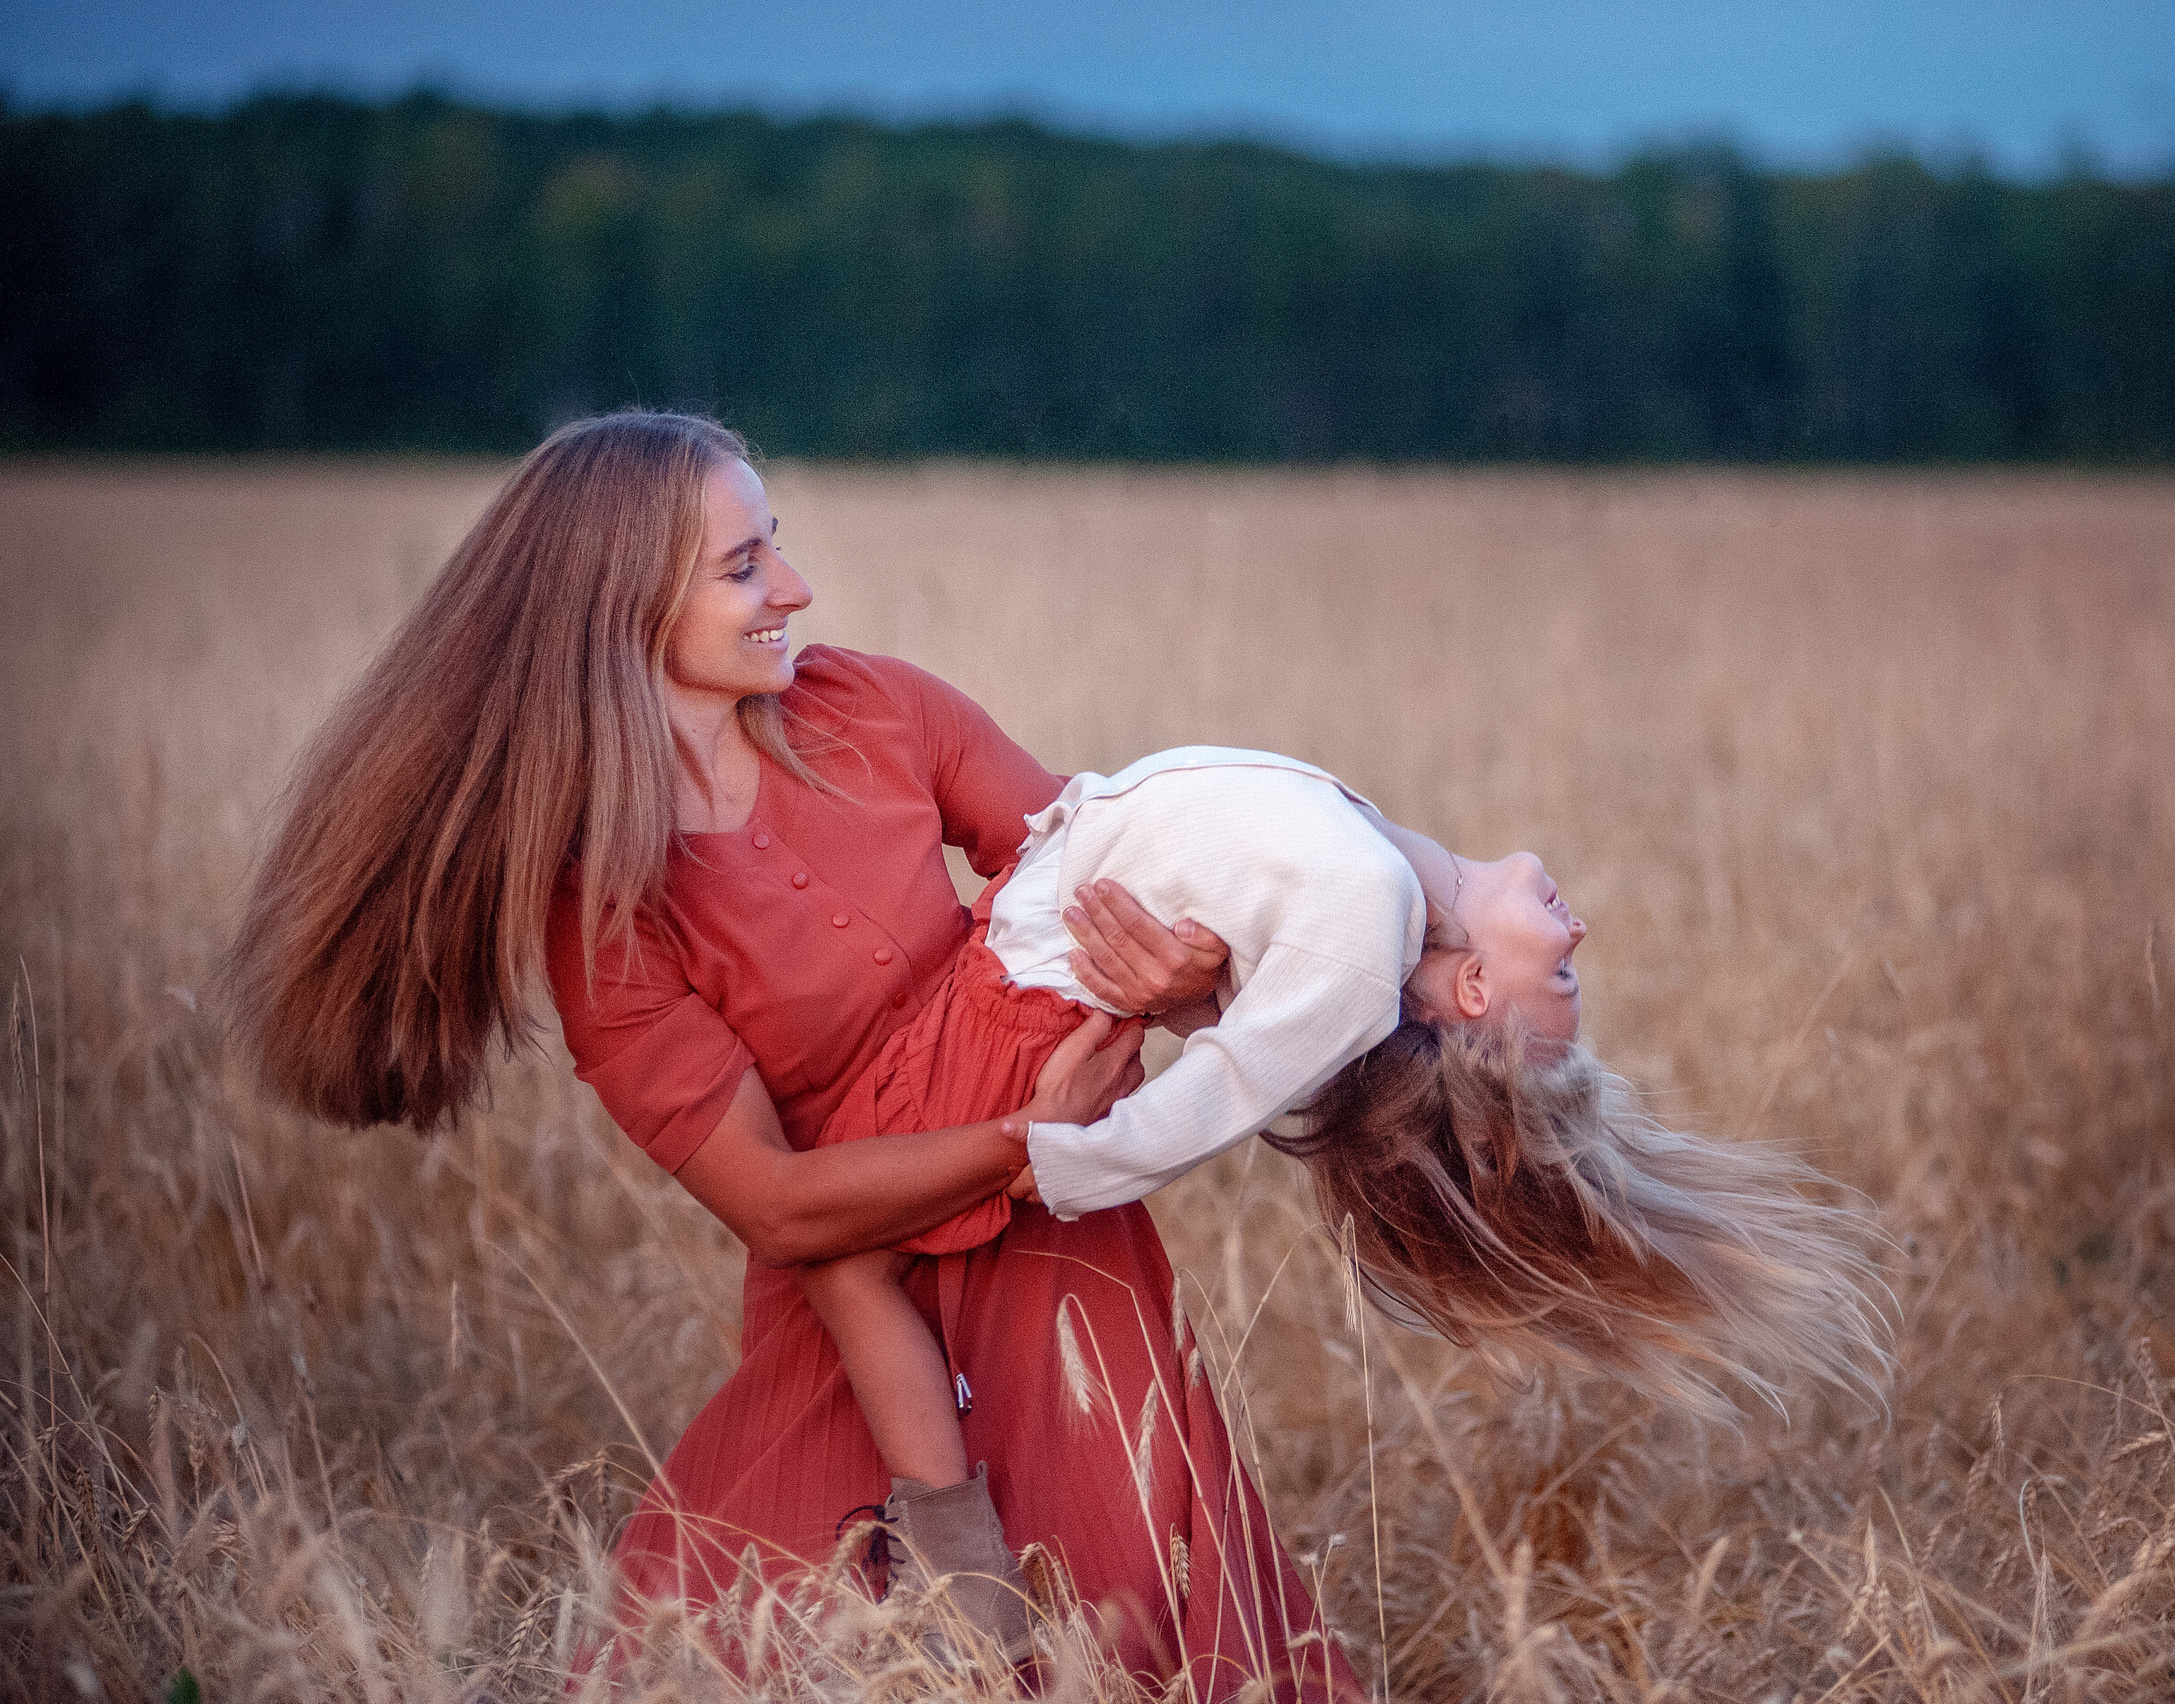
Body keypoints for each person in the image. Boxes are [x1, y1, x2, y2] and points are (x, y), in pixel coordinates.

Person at [225, 411, 1363, 1699]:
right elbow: (769, 1200)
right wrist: (1030, 1146)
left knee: (1152, 1634)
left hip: (1063, 1276)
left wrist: (1189, 977)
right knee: (735, 1654)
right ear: (621, 605)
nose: (795, 588)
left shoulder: (878, 707)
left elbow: (1103, 876)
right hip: (856, 1298)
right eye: (742, 566)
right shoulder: (601, 906)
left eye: (779, 546)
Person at [800, 746, 1889, 1656]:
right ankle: (959, 1577)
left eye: (1557, 980)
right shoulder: (1380, 881)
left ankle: (965, 1589)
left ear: (1472, 992)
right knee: (864, 1273)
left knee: (850, 1270)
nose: (1577, 937)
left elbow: (1228, 1086)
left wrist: (1065, 1156)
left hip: (1014, 1030)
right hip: (993, 979)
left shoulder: (1369, 919)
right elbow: (1242, 957)